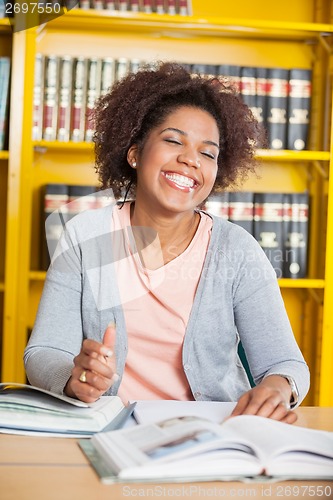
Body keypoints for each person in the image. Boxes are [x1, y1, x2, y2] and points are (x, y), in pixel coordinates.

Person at [24, 62, 309, 423]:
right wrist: (72, 377)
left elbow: (285, 363)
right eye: (174, 141)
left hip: (210, 436)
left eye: (208, 153)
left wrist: (278, 388)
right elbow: (44, 351)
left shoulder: (235, 250)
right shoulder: (87, 236)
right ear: (134, 153)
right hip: (109, 431)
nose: (191, 159)